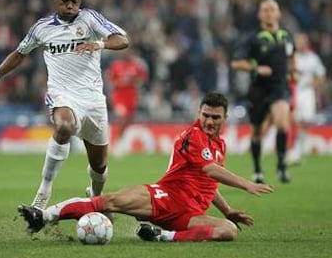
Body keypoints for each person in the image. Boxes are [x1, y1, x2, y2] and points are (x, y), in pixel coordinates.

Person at [18, 92, 274, 242]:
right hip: (164, 197)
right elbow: (210, 170)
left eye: (215, 117)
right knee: (109, 202)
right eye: (205, 115)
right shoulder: (192, 136)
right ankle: (45, 215)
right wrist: (246, 184)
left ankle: (163, 236)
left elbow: (209, 182)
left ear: (225, 118)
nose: (208, 121)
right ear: (199, 112)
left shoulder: (220, 145)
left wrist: (228, 211)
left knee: (228, 232)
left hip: (189, 214)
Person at [0, 0, 129, 209]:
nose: (70, 6)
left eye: (75, 1)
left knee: (99, 166)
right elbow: (19, 53)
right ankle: (43, 194)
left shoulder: (89, 19)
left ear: (80, 1)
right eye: (65, 0)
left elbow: (122, 40)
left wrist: (98, 44)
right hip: (62, 94)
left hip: (93, 99)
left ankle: (96, 199)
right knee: (63, 127)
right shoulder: (42, 28)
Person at [231, 0, 296, 183]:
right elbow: (236, 62)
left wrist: (293, 73)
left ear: (278, 13)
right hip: (259, 89)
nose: (269, 13)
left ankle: (282, 165)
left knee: (282, 123)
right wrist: (256, 68)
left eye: (272, 9)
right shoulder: (252, 38)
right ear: (260, 14)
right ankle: (258, 169)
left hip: (280, 88)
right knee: (257, 132)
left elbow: (292, 57)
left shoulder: (287, 36)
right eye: (265, 10)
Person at [286, 33, 326, 165]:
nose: (301, 44)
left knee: (305, 121)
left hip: (307, 93)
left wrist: (314, 85)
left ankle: (299, 151)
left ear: (306, 42)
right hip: (294, 91)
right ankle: (293, 151)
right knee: (294, 120)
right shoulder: (291, 58)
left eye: (303, 41)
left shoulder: (313, 58)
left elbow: (321, 74)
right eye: (298, 41)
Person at [106, 48, 148, 156]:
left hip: (131, 96)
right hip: (119, 96)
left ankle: (120, 141)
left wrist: (135, 83)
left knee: (128, 120)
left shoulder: (135, 66)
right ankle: (116, 143)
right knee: (122, 117)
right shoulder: (116, 66)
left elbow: (143, 78)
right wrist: (116, 85)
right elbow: (109, 78)